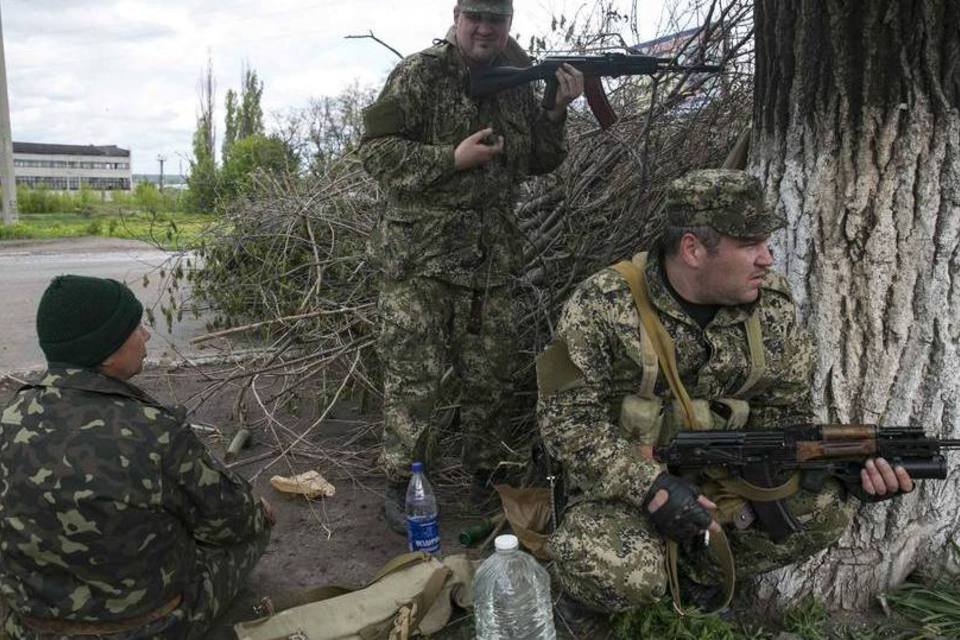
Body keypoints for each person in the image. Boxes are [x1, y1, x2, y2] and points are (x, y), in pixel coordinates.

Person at [536, 169, 914, 613]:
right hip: (626, 484)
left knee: (827, 509)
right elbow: (565, 421)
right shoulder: (601, 303)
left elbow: (786, 408)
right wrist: (649, 487)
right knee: (614, 570)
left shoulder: (771, 304)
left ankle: (694, 574)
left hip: (724, 481)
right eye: (750, 244)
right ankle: (640, 577)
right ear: (692, 249)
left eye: (765, 242)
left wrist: (843, 466)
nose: (767, 259)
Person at [359, 0, 584, 528]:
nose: (485, 29)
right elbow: (374, 152)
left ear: (510, 23)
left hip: (490, 260)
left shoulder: (518, 77)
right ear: (456, 16)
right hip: (421, 262)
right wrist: (449, 159)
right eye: (475, 17)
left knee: (494, 377)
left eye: (497, 19)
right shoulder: (418, 74)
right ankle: (403, 483)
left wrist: (555, 110)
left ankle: (491, 479)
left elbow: (538, 160)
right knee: (416, 379)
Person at [0, 275, 273, 639]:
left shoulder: (9, 417)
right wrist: (260, 511)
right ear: (109, 350)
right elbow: (231, 521)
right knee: (256, 523)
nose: (145, 336)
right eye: (136, 328)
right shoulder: (154, 430)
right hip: (148, 628)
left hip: (32, 628)